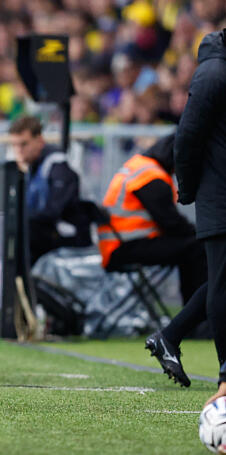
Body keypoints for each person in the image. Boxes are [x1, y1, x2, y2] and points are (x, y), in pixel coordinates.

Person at [95, 134, 208, 387]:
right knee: (196, 248)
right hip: (124, 247)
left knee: (190, 247)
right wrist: (201, 234)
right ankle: (198, 322)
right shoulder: (150, 175)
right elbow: (171, 223)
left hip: (120, 244)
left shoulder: (140, 166)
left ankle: (192, 318)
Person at [174, 28, 226, 405]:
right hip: (220, 196)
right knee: (222, 283)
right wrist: (189, 189)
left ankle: (169, 334)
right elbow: (188, 136)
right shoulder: (214, 73)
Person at [8, 115, 91, 263]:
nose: (18, 150)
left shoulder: (58, 166)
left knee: (25, 230)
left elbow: (53, 211)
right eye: (14, 145)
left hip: (68, 236)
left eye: (24, 144)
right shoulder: (30, 167)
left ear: (39, 140)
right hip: (45, 232)